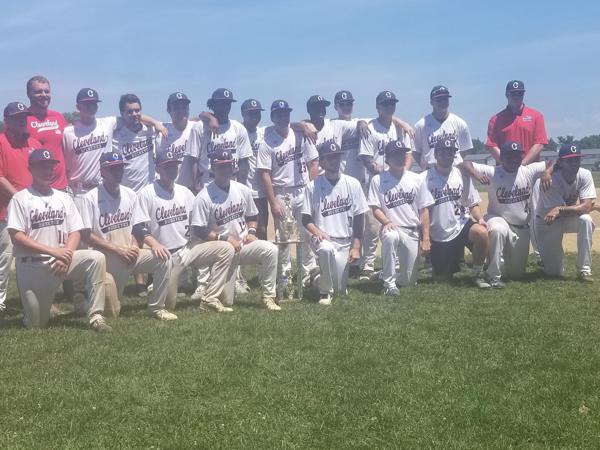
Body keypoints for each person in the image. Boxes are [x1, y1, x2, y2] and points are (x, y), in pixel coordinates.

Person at [6, 149, 110, 331]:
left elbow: (75, 231)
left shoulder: (64, 197)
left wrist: (66, 255)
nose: (47, 171)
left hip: (63, 260)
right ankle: (40, 308)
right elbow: (17, 237)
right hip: (34, 265)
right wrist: (54, 252)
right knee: (36, 324)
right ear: (30, 169)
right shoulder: (20, 198)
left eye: (50, 166)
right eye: (42, 167)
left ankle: (96, 316)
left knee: (96, 258)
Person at [132, 151, 235, 313]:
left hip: (189, 248)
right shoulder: (146, 193)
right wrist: (154, 244)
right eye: (167, 167)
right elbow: (138, 227)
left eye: (174, 166)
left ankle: (210, 298)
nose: (172, 170)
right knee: (169, 304)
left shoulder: (185, 192)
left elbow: (199, 224)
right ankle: (157, 289)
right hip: (165, 255)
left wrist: (220, 236)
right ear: (158, 169)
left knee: (225, 248)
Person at [80, 152, 172, 318]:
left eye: (120, 168)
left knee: (164, 258)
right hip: (106, 259)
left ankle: (157, 307)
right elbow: (86, 235)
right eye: (112, 169)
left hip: (130, 253)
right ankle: (83, 301)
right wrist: (118, 250)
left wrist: (134, 246)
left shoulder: (130, 194)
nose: (117, 172)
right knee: (112, 312)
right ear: (102, 172)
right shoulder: (90, 198)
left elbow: (137, 227)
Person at [192, 149, 280, 311]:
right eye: (221, 167)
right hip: (220, 251)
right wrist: (225, 239)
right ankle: (210, 291)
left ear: (233, 167)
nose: (225, 170)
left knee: (271, 249)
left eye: (228, 166)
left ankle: (269, 296)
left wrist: (252, 232)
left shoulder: (242, 189)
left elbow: (252, 216)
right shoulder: (204, 196)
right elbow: (198, 230)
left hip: (242, 245)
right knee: (227, 301)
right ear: (213, 168)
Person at [462, 141, 551, 288]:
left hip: (521, 227)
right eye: (509, 156)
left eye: (517, 156)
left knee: (517, 274)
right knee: (497, 230)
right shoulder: (493, 171)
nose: (514, 159)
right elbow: (465, 163)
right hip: (497, 218)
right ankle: (493, 276)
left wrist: (547, 172)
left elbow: (551, 163)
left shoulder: (527, 170)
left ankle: (491, 262)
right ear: (501, 157)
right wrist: (476, 174)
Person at [63, 88, 166, 208]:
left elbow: (135, 116)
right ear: (78, 106)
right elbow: (65, 166)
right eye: (86, 103)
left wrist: (156, 123)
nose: (90, 106)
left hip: (105, 188)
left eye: (93, 103)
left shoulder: (108, 123)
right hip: (80, 190)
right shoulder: (68, 132)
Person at [256, 99, 319, 289]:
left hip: (303, 188)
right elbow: (264, 174)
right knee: (282, 237)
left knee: (307, 233)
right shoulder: (267, 143)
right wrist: (273, 201)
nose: (283, 117)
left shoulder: (301, 135)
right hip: (282, 193)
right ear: (273, 118)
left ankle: (307, 272)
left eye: (286, 114)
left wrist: (313, 189)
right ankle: (284, 274)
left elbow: (313, 163)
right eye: (279, 115)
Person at [301, 142, 367, 305]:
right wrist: (317, 232)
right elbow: (306, 218)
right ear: (322, 162)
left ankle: (316, 278)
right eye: (329, 158)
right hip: (323, 240)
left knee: (340, 289)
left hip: (345, 242)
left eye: (336, 157)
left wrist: (356, 247)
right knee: (325, 249)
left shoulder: (353, 184)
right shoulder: (312, 186)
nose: (334, 160)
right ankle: (325, 294)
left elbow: (359, 217)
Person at [358, 90, 414, 280]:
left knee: (397, 221)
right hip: (376, 182)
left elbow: (408, 154)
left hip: (398, 181)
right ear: (378, 107)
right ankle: (368, 264)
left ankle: (396, 262)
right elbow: (366, 157)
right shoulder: (369, 128)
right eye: (385, 104)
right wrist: (384, 175)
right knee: (373, 227)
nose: (389, 107)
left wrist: (402, 174)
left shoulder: (400, 128)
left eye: (392, 104)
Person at [367, 140, 433, 296]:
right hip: (392, 227)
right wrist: (386, 222)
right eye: (395, 154)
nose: (400, 157)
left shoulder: (417, 179)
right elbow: (375, 208)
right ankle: (389, 284)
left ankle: (383, 274)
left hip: (412, 231)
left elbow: (424, 210)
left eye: (402, 154)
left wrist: (426, 238)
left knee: (408, 281)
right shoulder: (378, 180)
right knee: (390, 236)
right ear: (387, 159)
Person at [422, 139, 490, 287]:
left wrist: (480, 219)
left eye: (450, 152)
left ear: (454, 155)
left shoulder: (462, 175)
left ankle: (478, 273)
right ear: (436, 154)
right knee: (442, 280)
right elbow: (424, 210)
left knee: (481, 232)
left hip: (461, 226)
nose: (446, 155)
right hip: (439, 234)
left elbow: (472, 203)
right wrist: (426, 238)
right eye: (442, 152)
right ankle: (443, 267)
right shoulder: (424, 178)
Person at [0, 102, 42, 312]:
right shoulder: (0, 142)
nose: (21, 120)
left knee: (32, 257)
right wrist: (21, 199)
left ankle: (37, 299)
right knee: (4, 259)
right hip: (6, 211)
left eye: (23, 116)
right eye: (16, 117)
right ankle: (0, 302)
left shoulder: (33, 142)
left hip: (32, 212)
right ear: (6, 121)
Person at [534, 144, 596, 281]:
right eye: (569, 160)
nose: (574, 163)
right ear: (560, 162)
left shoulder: (585, 174)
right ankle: (550, 262)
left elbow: (585, 208)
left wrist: (561, 209)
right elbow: (555, 212)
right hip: (547, 222)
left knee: (586, 220)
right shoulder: (549, 180)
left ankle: (584, 270)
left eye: (577, 159)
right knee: (554, 273)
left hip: (566, 216)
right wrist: (561, 209)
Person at [155, 92, 207, 192]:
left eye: (184, 107)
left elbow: (209, 116)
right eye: (176, 108)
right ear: (169, 110)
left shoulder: (196, 128)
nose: (181, 111)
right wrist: (154, 122)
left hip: (194, 187)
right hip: (171, 188)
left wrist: (209, 117)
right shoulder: (162, 131)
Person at [486, 80, 548, 164]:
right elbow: (492, 146)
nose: (516, 96)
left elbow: (539, 143)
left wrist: (523, 163)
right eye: (513, 93)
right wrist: (507, 165)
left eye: (520, 93)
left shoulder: (536, 116)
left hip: (530, 169)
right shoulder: (495, 120)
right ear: (506, 95)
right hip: (504, 171)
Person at [413, 85, 473, 170]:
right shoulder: (421, 125)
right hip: (430, 171)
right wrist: (424, 165)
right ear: (431, 102)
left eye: (445, 99)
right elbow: (416, 152)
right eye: (439, 100)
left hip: (454, 170)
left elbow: (464, 150)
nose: (442, 102)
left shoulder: (460, 123)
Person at [25, 75, 68, 190]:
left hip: (61, 188)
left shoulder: (58, 117)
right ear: (28, 94)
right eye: (38, 92)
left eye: (47, 91)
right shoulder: (22, 120)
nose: (44, 95)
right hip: (34, 190)